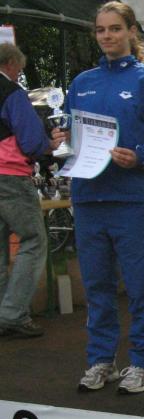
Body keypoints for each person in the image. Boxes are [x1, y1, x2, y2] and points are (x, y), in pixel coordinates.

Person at [65, 1, 144, 394]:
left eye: (115, 28)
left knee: (140, 285)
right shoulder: (82, 83)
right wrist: (61, 140)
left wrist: (140, 156)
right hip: (88, 200)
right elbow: (71, 136)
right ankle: (101, 360)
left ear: (132, 31)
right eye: (101, 30)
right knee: (97, 287)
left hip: (130, 201)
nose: (107, 36)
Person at [0, 43, 66, 338]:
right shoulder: (12, 93)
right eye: (20, 69)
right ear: (11, 64)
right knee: (34, 240)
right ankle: (12, 313)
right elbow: (29, 140)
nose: (20, 75)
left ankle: (4, 312)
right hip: (10, 175)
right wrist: (49, 145)